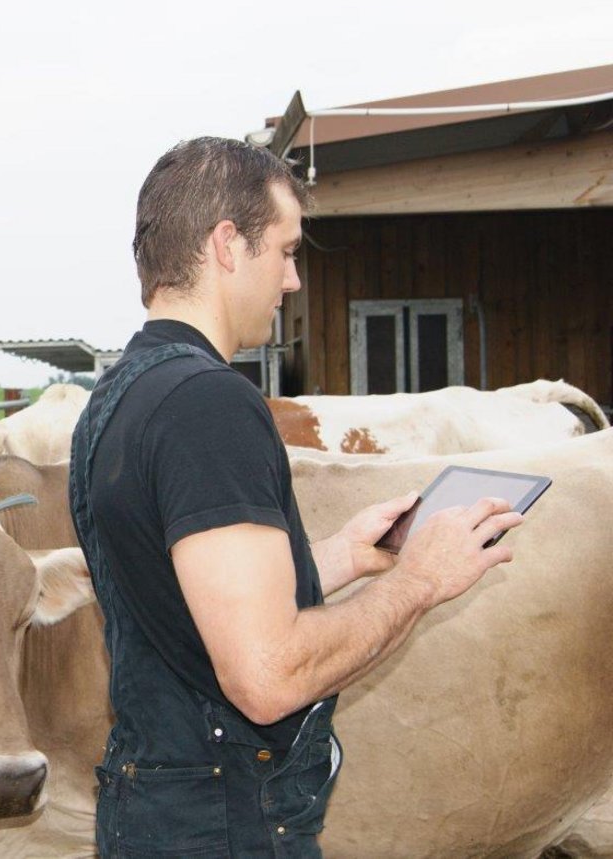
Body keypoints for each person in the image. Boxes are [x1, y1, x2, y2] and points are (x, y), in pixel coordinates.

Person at [68, 136, 522, 857]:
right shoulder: (207, 403)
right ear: (226, 244)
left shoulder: (115, 400)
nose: (293, 281)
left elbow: (173, 596)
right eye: (284, 250)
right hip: (226, 822)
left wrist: (339, 557)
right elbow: (267, 675)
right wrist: (420, 579)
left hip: (154, 805)